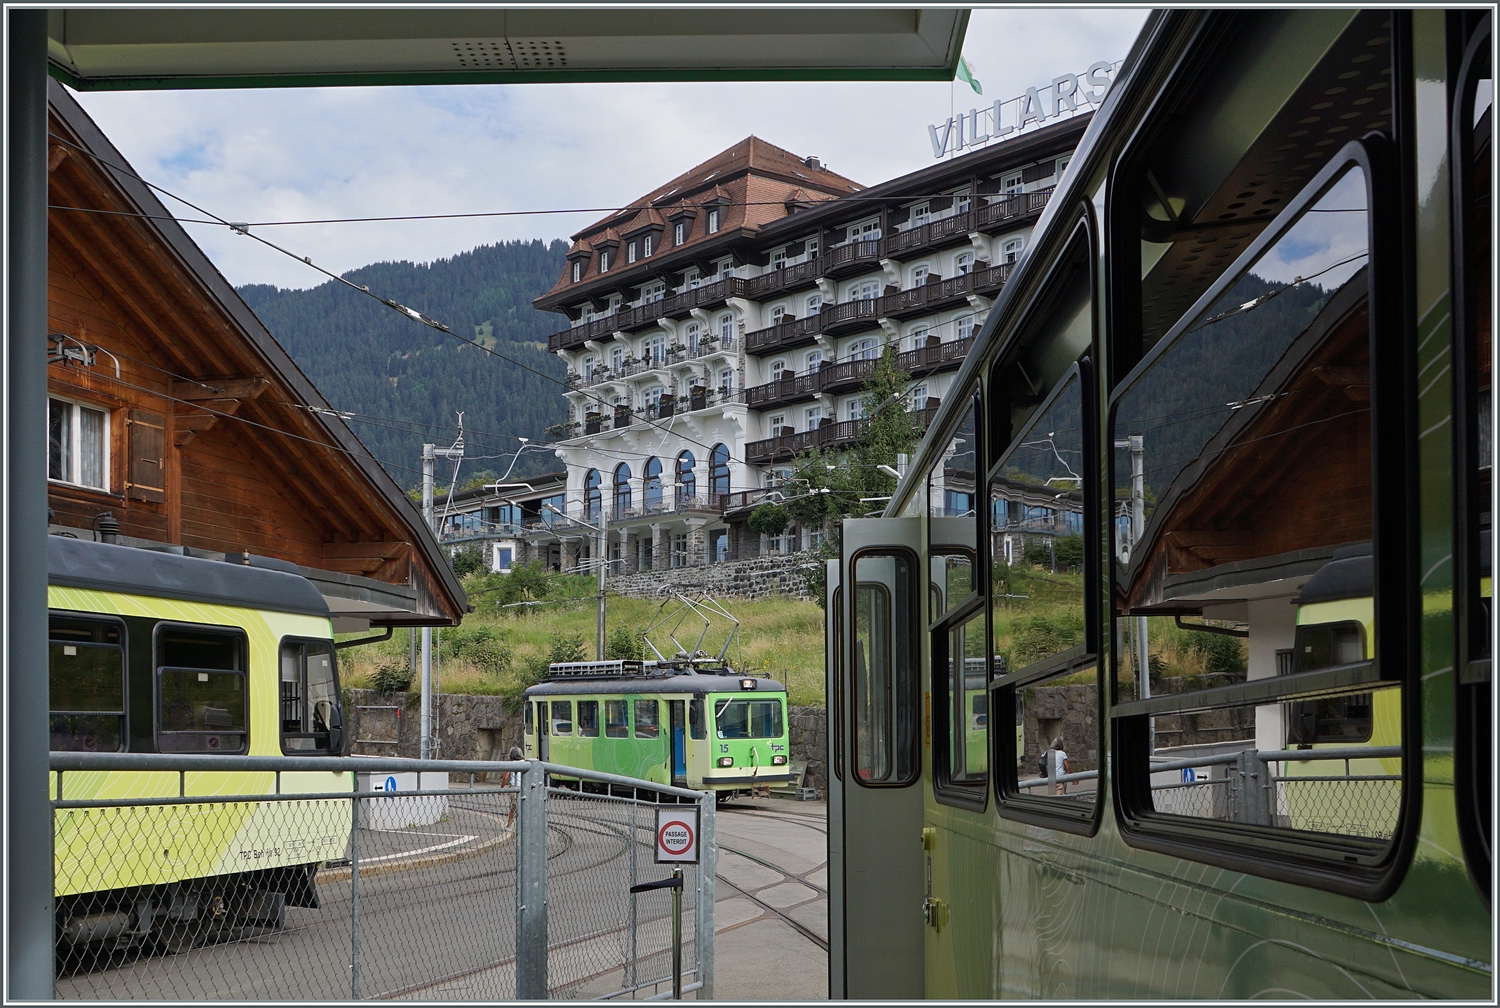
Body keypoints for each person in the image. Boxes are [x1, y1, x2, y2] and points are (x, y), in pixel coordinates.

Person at [505, 746, 525, 829]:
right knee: (524, 806)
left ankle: (509, 826)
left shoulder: (510, 764)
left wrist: (501, 788)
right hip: (524, 787)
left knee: (513, 808)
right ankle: (523, 826)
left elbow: (505, 778)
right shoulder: (525, 763)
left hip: (514, 787)